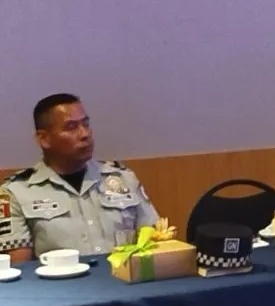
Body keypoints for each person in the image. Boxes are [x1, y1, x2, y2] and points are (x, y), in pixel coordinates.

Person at [0, 93, 159, 262]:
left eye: (86, 124)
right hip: (59, 279)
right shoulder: (14, 194)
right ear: (44, 139)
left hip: (123, 277)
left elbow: (156, 241)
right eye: (71, 127)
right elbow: (18, 268)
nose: (85, 134)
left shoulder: (123, 179)